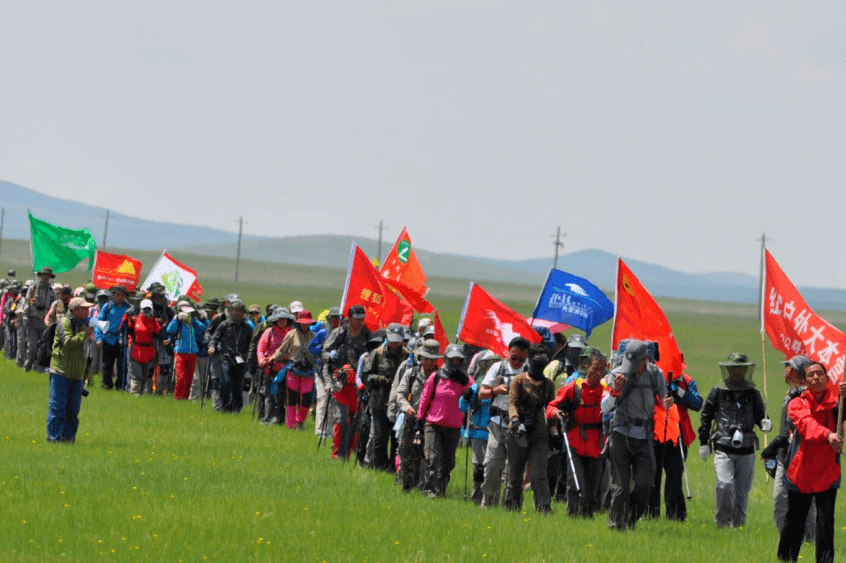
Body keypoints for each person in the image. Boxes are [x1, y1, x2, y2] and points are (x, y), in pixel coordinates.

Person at [776, 361, 843, 563]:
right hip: (801, 471)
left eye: (820, 374)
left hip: (828, 471)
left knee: (825, 524)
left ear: (827, 378)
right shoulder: (796, 403)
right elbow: (807, 425)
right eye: (811, 375)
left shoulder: (837, 404)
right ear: (805, 381)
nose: (816, 378)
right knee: (794, 523)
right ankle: (786, 559)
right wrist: (829, 435)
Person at [602, 339, 672, 531]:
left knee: (646, 484)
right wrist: (615, 390)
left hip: (644, 436)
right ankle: (616, 525)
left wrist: (668, 402)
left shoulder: (655, 375)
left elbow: (664, 397)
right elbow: (605, 407)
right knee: (621, 486)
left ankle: (631, 519)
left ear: (646, 359)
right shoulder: (617, 374)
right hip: (621, 433)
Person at [698, 353, 771, 529]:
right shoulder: (718, 392)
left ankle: (738, 526)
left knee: (741, 491)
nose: (736, 372)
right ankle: (723, 524)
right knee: (724, 485)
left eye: (739, 369)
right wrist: (703, 443)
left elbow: (761, 418)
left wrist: (765, 423)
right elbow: (706, 416)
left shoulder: (753, 394)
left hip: (746, 449)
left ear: (745, 370)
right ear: (728, 370)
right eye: (733, 369)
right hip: (723, 446)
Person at [546, 348, 608, 518]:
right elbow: (552, 406)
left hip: (598, 443)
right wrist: (555, 414)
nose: (598, 372)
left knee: (593, 484)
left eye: (602, 369)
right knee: (574, 481)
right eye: (595, 368)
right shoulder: (574, 388)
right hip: (576, 440)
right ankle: (573, 515)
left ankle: (588, 516)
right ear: (586, 367)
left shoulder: (606, 390)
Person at [762, 355, 816, 540]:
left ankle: (807, 542)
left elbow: (789, 433)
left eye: (787, 366)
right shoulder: (790, 395)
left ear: (792, 371)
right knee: (781, 502)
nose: (785, 370)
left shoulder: (805, 397)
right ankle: (792, 541)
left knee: (803, 505)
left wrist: (769, 450)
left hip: (804, 459)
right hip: (785, 458)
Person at [503, 343, 556, 514]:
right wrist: (516, 421)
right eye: (537, 359)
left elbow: (550, 409)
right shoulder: (519, 380)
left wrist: (555, 433)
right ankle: (512, 507)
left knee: (539, 473)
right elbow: (511, 402)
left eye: (544, 360)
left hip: (540, 433)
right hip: (518, 432)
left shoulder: (548, 385)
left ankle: (544, 508)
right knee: (515, 474)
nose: (540, 363)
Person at [416, 344, 474, 498]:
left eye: (458, 359)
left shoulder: (467, 381)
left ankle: (441, 489)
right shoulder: (436, 377)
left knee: (448, 463)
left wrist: (470, 393)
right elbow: (424, 399)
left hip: (454, 427)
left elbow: (474, 398)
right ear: (447, 359)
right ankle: (429, 489)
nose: (455, 362)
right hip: (433, 424)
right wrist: (419, 419)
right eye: (453, 359)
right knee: (432, 458)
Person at [478, 336, 529, 507]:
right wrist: (495, 391)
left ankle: (511, 505)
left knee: (514, 470)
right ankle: (488, 500)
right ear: (508, 352)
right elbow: (481, 393)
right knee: (492, 465)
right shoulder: (498, 367)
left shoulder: (530, 371)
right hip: (497, 422)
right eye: (514, 358)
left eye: (521, 359)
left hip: (519, 425)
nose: (517, 362)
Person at [648, 368, 703, 522]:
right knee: (653, 476)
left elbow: (697, 403)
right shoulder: (651, 377)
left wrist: (679, 391)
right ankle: (651, 515)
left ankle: (676, 516)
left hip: (677, 436)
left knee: (674, 476)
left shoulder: (686, 380)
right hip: (655, 433)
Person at [322, 304, 373, 459]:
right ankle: (337, 454)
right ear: (349, 318)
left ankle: (348, 454)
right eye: (356, 319)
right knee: (342, 418)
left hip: (358, 387)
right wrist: (330, 356)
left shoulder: (368, 336)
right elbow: (324, 353)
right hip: (340, 384)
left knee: (355, 422)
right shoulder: (339, 333)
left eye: (362, 319)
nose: (359, 322)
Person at [396, 339, 442, 492]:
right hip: (411, 420)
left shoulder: (441, 378)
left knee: (427, 457)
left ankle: (424, 486)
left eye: (432, 359)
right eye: (426, 358)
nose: (429, 362)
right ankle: (406, 486)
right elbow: (400, 394)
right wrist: (406, 407)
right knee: (405, 452)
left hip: (430, 423)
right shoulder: (411, 373)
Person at [47, 297, 94, 442]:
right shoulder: (64, 322)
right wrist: (84, 333)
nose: (87, 311)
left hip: (78, 374)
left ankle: (68, 440)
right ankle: (54, 439)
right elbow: (67, 342)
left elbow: (86, 350)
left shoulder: (85, 323)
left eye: (87, 308)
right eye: (84, 308)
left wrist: (86, 373)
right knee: (57, 408)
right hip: (61, 371)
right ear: (74, 310)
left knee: (73, 410)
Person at [363, 323, 409, 470]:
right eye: (392, 340)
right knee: (379, 439)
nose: (394, 344)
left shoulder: (407, 356)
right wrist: (378, 379)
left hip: (398, 405)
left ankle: (393, 468)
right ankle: (379, 469)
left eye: (397, 341)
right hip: (378, 403)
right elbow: (366, 376)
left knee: (397, 439)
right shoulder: (377, 353)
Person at [458, 350, 499, 504]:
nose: (492, 367)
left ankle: (493, 501)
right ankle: (477, 499)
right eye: (489, 364)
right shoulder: (477, 387)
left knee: (494, 469)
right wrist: (465, 397)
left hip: (497, 434)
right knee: (480, 469)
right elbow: (462, 407)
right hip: (478, 434)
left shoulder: (502, 388)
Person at [272, 309, 317, 430]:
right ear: (298, 322)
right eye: (303, 322)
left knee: (307, 400)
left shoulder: (314, 336)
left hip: (308, 371)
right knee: (291, 400)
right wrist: (271, 359)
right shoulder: (291, 335)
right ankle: (291, 425)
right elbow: (282, 350)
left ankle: (300, 420)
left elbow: (317, 353)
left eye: (307, 322)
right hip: (293, 370)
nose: (305, 324)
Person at [208, 301, 253, 413]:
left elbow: (252, 343)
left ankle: (236, 409)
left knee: (238, 386)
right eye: (235, 310)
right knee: (226, 382)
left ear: (243, 313)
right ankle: (224, 407)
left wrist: (251, 356)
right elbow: (214, 338)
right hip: (226, 359)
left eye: (239, 311)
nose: (237, 313)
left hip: (241, 360)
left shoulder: (247, 328)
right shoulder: (224, 325)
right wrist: (212, 346)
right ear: (231, 311)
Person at [256, 307, 294, 424]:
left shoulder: (291, 334)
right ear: (275, 320)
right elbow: (260, 348)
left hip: (286, 369)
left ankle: (279, 420)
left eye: (284, 319)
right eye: (280, 319)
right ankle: (268, 419)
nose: (282, 321)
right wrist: (261, 360)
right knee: (269, 395)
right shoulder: (268, 332)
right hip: (270, 368)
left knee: (282, 397)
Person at [309, 307, 342, 438]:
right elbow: (311, 348)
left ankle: (329, 431)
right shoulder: (323, 333)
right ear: (329, 320)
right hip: (321, 371)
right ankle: (319, 430)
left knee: (334, 402)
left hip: (336, 372)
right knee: (322, 400)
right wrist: (323, 347)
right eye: (333, 319)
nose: (335, 321)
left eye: (338, 319)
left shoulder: (344, 334)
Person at [167, 305, 207, 400]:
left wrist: (196, 319)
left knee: (189, 378)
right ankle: (178, 397)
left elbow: (203, 328)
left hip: (192, 353)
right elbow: (169, 330)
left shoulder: (193, 323)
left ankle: (185, 397)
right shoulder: (179, 323)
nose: (189, 316)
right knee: (181, 377)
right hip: (180, 352)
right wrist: (176, 319)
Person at [95, 285, 131, 390]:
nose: (119, 297)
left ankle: (120, 385)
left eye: (122, 295)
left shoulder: (128, 308)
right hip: (108, 338)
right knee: (107, 365)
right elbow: (99, 323)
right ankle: (107, 385)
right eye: (117, 295)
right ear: (114, 295)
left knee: (122, 365)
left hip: (122, 340)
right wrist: (99, 338)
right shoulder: (108, 306)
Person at [22, 266, 57, 372]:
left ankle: (39, 370)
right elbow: (26, 303)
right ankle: (27, 367)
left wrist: (54, 323)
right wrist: (25, 316)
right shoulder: (32, 289)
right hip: (32, 321)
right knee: (32, 347)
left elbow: (54, 308)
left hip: (45, 322)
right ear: (40, 276)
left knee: (43, 348)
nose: (46, 278)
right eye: (44, 275)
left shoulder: (52, 292)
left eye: (48, 276)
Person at [125, 299, 163, 396]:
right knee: (136, 375)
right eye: (145, 309)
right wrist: (126, 318)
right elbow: (124, 329)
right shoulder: (134, 320)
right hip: (135, 350)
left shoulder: (153, 322)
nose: (146, 311)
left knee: (144, 376)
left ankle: (139, 395)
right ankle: (134, 394)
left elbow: (160, 334)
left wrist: (160, 324)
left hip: (148, 352)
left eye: (148, 309)